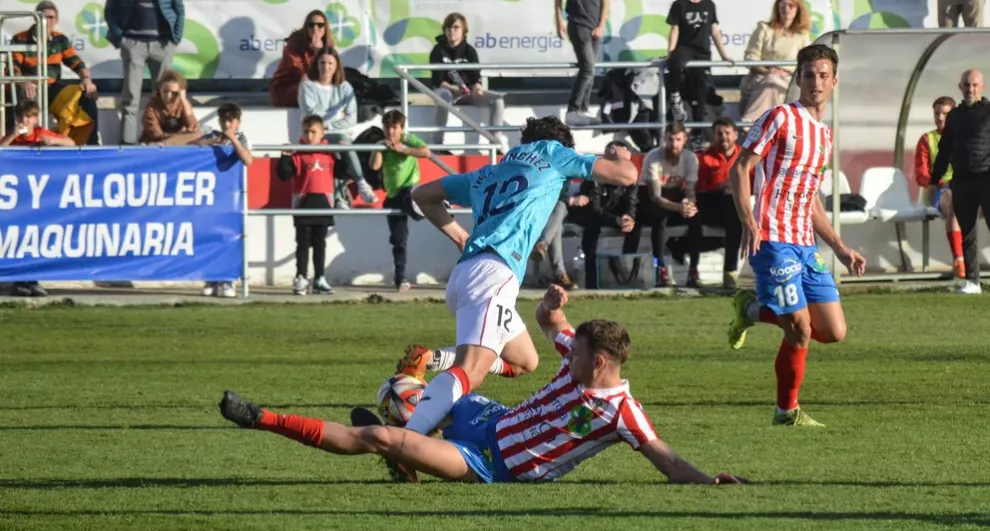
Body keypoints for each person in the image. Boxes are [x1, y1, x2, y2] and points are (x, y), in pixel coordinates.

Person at [218, 285, 748, 486]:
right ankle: (409, 441)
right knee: (403, 394)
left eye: (581, 353)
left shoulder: (622, 412)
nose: (571, 354)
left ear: (602, 362)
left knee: (383, 437)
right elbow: (553, 328)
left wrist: (711, 484)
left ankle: (261, 417)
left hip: (491, 464)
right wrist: (550, 310)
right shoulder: (577, 356)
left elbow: (668, 460)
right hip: (491, 419)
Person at [402, 115, 637, 442]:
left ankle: (434, 364)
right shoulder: (553, 152)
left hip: (468, 273)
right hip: (493, 274)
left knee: (524, 360)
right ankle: (406, 440)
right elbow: (627, 176)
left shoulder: (490, 171)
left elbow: (423, 194)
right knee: (473, 369)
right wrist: (621, 158)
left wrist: (459, 236)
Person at [727, 44, 866, 427]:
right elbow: (740, 168)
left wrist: (839, 246)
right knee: (801, 328)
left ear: (834, 81)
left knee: (833, 331)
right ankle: (786, 411)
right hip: (772, 239)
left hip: (805, 243)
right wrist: (749, 221)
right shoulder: (780, 118)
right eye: (808, 74)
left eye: (823, 75)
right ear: (798, 78)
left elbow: (812, 197)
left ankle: (750, 309)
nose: (816, 82)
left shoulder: (823, 135)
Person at [2, 99, 73, 298]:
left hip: (38, 198)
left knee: (35, 238)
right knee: (17, 239)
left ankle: (32, 280)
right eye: (21, 117)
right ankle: (19, 281)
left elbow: (71, 143)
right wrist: (13, 135)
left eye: (28, 117)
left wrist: (54, 141)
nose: (25, 120)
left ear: (35, 118)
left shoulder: (41, 133)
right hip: (17, 199)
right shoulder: (12, 137)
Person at [931, 69, 990, 295]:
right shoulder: (954, 116)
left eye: (974, 85)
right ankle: (972, 281)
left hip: (986, 178)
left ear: (982, 87)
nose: (970, 89)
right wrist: (936, 177)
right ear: (960, 87)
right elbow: (945, 149)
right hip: (962, 181)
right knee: (967, 231)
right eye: (966, 85)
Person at [622, 122, 701, 287]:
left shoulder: (690, 158)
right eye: (670, 140)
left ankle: (693, 268)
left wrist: (689, 204)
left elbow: (691, 190)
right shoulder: (653, 157)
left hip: (674, 196)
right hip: (649, 199)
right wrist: (679, 208)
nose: (674, 144)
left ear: (684, 140)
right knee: (660, 220)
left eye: (678, 140)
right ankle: (660, 267)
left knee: (695, 220)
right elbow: (655, 197)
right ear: (665, 139)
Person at [9, 1, 100, 145]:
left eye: (51, 17)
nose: (47, 21)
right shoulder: (20, 38)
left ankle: (90, 145)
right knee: (25, 94)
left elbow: (77, 63)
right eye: (43, 17)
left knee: (87, 94)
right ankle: (23, 144)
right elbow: (12, 68)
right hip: (31, 87)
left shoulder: (60, 40)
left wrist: (87, 80)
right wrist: (24, 82)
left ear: (56, 20)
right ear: (35, 18)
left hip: (53, 89)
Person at [298, 46, 376, 209]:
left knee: (340, 146)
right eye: (323, 63)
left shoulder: (345, 87)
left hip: (338, 134)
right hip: (315, 136)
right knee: (340, 142)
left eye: (330, 64)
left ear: (336, 66)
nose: (326, 67)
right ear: (316, 64)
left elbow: (351, 118)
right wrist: (331, 123)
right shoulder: (308, 86)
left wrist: (328, 124)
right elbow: (312, 117)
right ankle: (360, 183)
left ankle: (341, 198)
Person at [192, 102, 252, 298]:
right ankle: (211, 277)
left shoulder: (242, 138)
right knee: (210, 238)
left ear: (238, 122)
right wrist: (213, 141)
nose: (226, 124)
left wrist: (233, 140)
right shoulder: (213, 136)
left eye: (230, 120)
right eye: (223, 120)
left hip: (232, 197)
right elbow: (193, 147)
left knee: (230, 238)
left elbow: (248, 159)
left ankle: (228, 280)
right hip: (211, 197)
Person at [105, 0, 184, 145]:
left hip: (163, 44)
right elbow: (110, 10)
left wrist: (176, 37)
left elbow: (178, 8)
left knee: (165, 97)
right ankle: (127, 144)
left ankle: (164, 141)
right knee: (131, 96)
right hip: (133, 43)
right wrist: (120, 38)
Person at [369, 110, 431, 292]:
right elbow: (374, 166)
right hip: (392, 197)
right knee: (398, 240)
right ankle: (400, 279)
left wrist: (404, 150)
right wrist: (380, 147)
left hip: (409, 190)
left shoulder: (408, 139)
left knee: (410, 197)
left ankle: (435, 206)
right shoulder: (382, 144)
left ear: (401, 128)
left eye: (394, 128)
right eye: (387, 128)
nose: (391, 132)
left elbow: (426, 152)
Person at [276, 115, 337, 296]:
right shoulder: (299, 153)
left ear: (322, 133)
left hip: (324, 203)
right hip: (303, 203)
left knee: (320, 243)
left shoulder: (329, 152)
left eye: (313, 132)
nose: (309, 136)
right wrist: (285, 157)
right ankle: (301, 277)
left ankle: (319, 278)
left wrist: (344, 152)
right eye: (306, 132)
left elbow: (344, 171)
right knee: (303, 243)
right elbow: (284, 175)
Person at [428, 13, 505, 147]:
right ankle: (438, 144)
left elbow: (475, 77)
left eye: (455, 27)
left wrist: (477, 87)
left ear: (464, 31)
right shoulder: (437, 50)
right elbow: (438, 80)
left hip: (466, 92)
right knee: (444, 97)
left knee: (497, 100)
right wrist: (453, 89)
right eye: (447, 27)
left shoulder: (469, 51)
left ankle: (495, 144)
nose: (451, 31)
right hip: (446, 90)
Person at [914, 96, 964, 280]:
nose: (940, 118)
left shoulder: (964, 138)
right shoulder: (927, 139)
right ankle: (959, 261)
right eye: (937, 113)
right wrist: (939, 182)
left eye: (945, 114)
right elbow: (921, 174)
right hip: (940, 191)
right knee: (953, 202)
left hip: (965, 188)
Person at [693, 117, 744, 289]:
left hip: (739, 205)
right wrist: (721, 186)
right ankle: (729, 272)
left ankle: (730, 271)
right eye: (719, 133)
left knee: (735, 217)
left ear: (735, 135)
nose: (724, 137)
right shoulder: (705, 157)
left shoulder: (745, 157)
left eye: (727, 133)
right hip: (712, 204)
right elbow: (701, 189)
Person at [665, 0, 734, 125]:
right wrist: (670, 53)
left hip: (702, 52)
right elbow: (675, 29)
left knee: (700, 90)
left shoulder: (709, 5)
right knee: (674, 60)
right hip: (685, 48)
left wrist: (723, 55)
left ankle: (697, 131)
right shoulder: (679, 4)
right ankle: (675, 98)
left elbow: (714, 31)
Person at [554, 0, 608, 126]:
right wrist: (559, 22)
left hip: (594, 26)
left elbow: (606, 3)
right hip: (578, 25)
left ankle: (583, 110)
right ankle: (572, 110)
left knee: (591, 69)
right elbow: (558, 2)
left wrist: (601, 25)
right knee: (587, 69)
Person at [270, 11, 335, 107]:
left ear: (325, 28)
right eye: (311, 25)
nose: (315, 28)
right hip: (288, 87)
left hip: (313, 86)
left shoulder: (329, 44)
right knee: (310, 87)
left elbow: (330, 71)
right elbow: (301, 73)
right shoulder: (294, 43)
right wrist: (316, 53)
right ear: (306, 27)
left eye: (320, 25)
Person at [139, 70, 199, 145]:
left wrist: (183, 100)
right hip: (156, 144)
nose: (169, 96)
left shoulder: (183, 104)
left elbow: (194, 127)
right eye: (165, 91)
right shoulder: (151, 106)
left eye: (174, 93)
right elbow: (156, 135)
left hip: (177, 142)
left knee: (198, 135)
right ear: (159, 90)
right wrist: (181, 135)